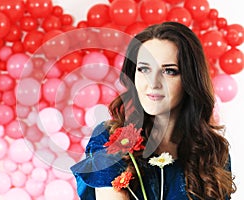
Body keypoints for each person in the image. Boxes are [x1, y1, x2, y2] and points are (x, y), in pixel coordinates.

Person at [70, 22, 236, 200]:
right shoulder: (111, 140)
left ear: (190, 80)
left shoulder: (213, 152)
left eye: (169, 71)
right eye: (144, 69)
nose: (153, 83)